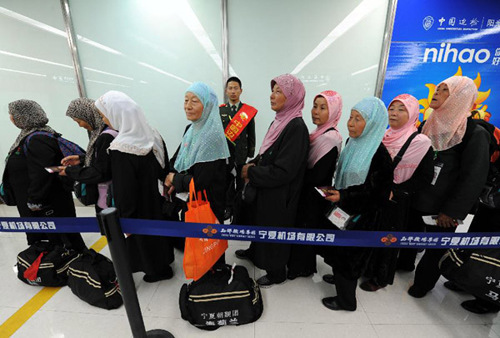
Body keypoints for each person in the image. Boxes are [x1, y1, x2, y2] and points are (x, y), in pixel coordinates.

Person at [407, 76, 490, 298]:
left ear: (458, 98)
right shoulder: (429, 124)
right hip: (417, 196)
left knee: (435, 248)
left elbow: (473, 178)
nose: (436, 92)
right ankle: (403, 265)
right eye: (438, 88)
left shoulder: (474, 134)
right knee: (409, 235)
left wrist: (452, 212)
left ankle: (422, 286)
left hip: (442, 206)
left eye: (445, 90)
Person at [235, 74, 309, 288]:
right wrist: (252, 163)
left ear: (292, 97)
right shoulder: (280, 121)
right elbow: (266, 153)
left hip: (280, 195)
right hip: (267, 189)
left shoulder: (296, 127)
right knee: (260, 222)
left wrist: (252, 172)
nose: (272, 95)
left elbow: (284, 171)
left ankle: (277, 272)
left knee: (274, 231)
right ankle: (255, 252)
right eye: (272, 90)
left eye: (279, 92)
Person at [321, 97, 393, 311]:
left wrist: (344, 196)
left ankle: (346, 301)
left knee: (350, 257)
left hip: (363, 218)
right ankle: (340, 279)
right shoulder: (355, 142)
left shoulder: (379, 155)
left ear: (372, 124)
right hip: (343, 210)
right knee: (340, 253)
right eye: (350, 117)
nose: (350, 123)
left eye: (358, 119)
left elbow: (377, 195)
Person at [95, 91, 174, 283]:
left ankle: (153, 270)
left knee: (143, 242)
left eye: (105, 114)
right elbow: (163, 168)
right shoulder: (151, 133)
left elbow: (124, 189)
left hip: (137, 208)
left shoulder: (121, 147)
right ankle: (163, 266)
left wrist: (125, 219)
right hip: (155, 200)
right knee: (158, 236)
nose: (105, 119)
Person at [361, 94, 433, 291]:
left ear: (411, 114)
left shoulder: (420, 142)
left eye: (401, 109)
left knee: (387, 239)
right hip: (374, 195)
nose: (394, 113)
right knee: (367, 233)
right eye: (392, 108)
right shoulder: (383, 135)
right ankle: (363, 268)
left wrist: (398, 192)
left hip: (394, 200)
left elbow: (424, 177)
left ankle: (380, 277)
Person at [1, 99, 86, 250]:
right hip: (44, 203)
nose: (11, 118)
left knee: (56, 244)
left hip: (45, 206)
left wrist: (35, 201)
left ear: (23, 116)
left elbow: (43, 172)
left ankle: (64, 270)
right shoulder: (34, 135)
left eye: (12, 114)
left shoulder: (37, 139)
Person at [287, 90, 343, 280]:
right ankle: (302, 266)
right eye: (314, 106)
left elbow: (318, 174)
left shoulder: (330, 138)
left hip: (315, 194)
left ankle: (300, 268)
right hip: (308, 191)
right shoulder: (318, 133)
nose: (315, 111)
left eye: (322, 108)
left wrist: (292, 173)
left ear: (334, 111)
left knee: (305, 230)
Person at [165, 82, 230, 225]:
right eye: (186, 100)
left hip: (207, 206)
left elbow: (202, 182)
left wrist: (175, 178)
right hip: (189, 200)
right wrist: (172, 175)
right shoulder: (191, 129)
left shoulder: (212, 137)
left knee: (207, 244)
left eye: (194, 101)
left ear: (208, 106)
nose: (187, 106)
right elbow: (178, 160)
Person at [58, 98, 116, 213]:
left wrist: (70, 171)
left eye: (79, 121)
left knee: (112, 229)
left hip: (108, 199)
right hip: (108, 197)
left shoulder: (106, 136)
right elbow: (106, 159)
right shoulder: (101, 131)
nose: (80, 125)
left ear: (89, 116)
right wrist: (82, 159)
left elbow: (101, 172)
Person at [219, 77, 257, 220]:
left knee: (241, 184)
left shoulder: (247, 111)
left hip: (241, 153)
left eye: (236, 88)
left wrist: (250, 153)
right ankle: (228, 208)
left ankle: (239, 212)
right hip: (226, 154)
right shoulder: (221, 110)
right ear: (226, 91)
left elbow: (251, 134)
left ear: (241, 90)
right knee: (227, 182)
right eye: (230, 88)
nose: (233, 91)